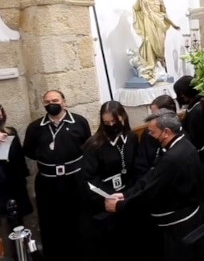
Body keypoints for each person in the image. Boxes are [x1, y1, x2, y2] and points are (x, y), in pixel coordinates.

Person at [105, 109, 204, 261]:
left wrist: (119, 206)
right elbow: (152, 174)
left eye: (153, 132)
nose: (149, 135)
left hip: (179, 225)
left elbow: (152, 192)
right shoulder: (182, 142)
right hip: (191, 214)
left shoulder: (173, 157)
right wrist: (126, 194)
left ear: (166, 132)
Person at [23, 90, 92, 261]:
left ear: (64, 102)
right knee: (50, 223)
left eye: (55, 100)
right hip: (47, 183)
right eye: (47, 101)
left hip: (74, 180)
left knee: (78, 220)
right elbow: (29, 151)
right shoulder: (35, 127)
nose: (51, 103)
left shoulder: (79, 122)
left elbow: (88, 146)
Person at [82, 101, 139, 261]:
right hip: (105, 201)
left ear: (123, 118)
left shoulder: (131, 138)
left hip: (128, 196)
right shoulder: (94, 145)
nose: (111, 125)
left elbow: (136, 167)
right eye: (106, 123)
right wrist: (108, 197)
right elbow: (88, 178)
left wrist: (129, 193)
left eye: (114, 122)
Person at [132, 0, 181, 85]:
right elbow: (136, 8)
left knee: (160, 48)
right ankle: (151, 67)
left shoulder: (160, 0)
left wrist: (173, 24)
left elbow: (164, 15)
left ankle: (159, 65)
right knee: (149, 45)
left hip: (160, 28)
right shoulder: (144, 0)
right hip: (149, 28)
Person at [0, 104, 32, 254]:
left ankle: (21, 253)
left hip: (14, 185)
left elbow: (19, 157)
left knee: (18, 223)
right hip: (0, 188)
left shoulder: (10, 132)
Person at [134, 95, 177, 178]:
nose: (152, 117)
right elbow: (142, 163)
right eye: (152, 113)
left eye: (156, 114)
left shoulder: (179, 133)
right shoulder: (148, 133)